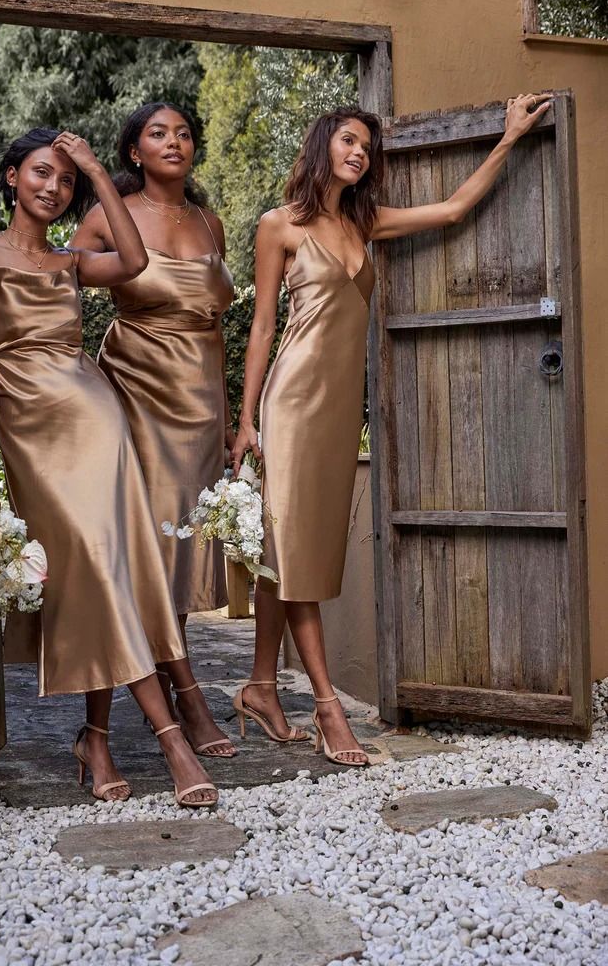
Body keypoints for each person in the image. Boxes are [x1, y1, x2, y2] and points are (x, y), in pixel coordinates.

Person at [231, 93, 552, 765]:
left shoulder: (366, 222)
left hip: (340, 406)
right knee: (294, 554)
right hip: (290, 404)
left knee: (287, 548)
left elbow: (453, 210)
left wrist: (508, 138)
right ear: (322, 146)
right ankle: (324, 706)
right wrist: (246, 420)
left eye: (366, 148)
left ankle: (260, 687)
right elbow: (261, 326)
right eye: (347, 141)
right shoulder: (278, 226)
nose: (358, 153)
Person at [0, 127, 218, 806]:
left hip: (100, 418)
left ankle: (108, 740)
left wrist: (101, 173)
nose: (53, 187)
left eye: (64, 181)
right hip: (32, 427)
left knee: (108, 570)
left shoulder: (71, 260)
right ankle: (164, 739)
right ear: (11, 177)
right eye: (42, 173)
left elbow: (131, 260)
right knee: (92, 570)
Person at [71, 103, 237, 758]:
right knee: (142, 554)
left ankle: (171, 688)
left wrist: (227, 421)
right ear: (134, 151)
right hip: (133, 396)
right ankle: (187, 698)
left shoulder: (208, 220)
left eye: (185, 133)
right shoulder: (104, 213)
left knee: (180, 554)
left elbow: (215, 328)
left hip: (197, 407)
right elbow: (46, 290)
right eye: (158, 133)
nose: (175, 142)